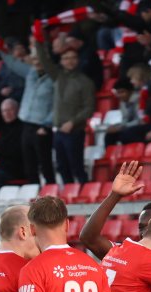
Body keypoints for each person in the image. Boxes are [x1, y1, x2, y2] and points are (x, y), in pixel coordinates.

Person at [36, 37, 93, 185]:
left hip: (75, 131)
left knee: (77, 167)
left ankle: (84, 192)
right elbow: (44, 60)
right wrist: (38, 41)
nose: (70, 61)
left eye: (73, 58)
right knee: (62, 167)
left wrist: (72, 122)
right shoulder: (58, 76)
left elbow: (89, 108)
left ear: (78, 60)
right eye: (66, 58)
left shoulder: (85, 82)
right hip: (58, 131)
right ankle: (69, 194)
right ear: (61, 61)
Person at [0, 40, 55, 185]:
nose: (37, 63)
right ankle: (34, 191)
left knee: (45, 163)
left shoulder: (55, 79)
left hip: (42, 126)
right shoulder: (30, 73)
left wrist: (47, 124)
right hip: (26, 124)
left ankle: (51, 190)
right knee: (29, 164)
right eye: (34, 59)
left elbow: (57, 105)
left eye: (40, 59)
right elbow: (12, 63)